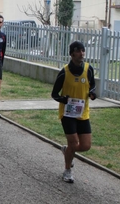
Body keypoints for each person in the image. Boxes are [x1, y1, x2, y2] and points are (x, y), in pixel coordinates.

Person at [51, 41, 97, 183]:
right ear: (72, 54)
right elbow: (54, 94)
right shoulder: (64, 72)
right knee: (73, 142)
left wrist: (92, 94)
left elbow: (92, 86)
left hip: (83, 113)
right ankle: (67, 171)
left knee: (85, 146)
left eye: (83, 50)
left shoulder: (89, 69)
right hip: (68, 113)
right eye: (78, 51)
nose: (82, 53)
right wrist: (64, 100)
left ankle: (67, 151)